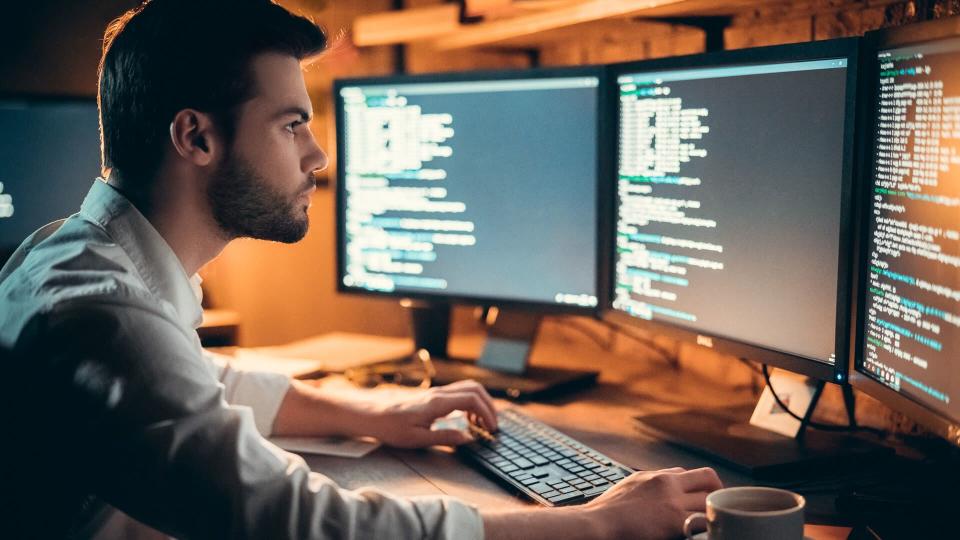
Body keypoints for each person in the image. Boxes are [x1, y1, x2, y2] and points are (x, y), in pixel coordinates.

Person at [0, 0, 722, 538]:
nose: (317, 157)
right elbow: (306, 525)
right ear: (195, 136)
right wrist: (599, 525)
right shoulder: (100, 314)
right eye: (291, 125)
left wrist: (375, 411)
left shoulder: (79, 258)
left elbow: (191, 381)